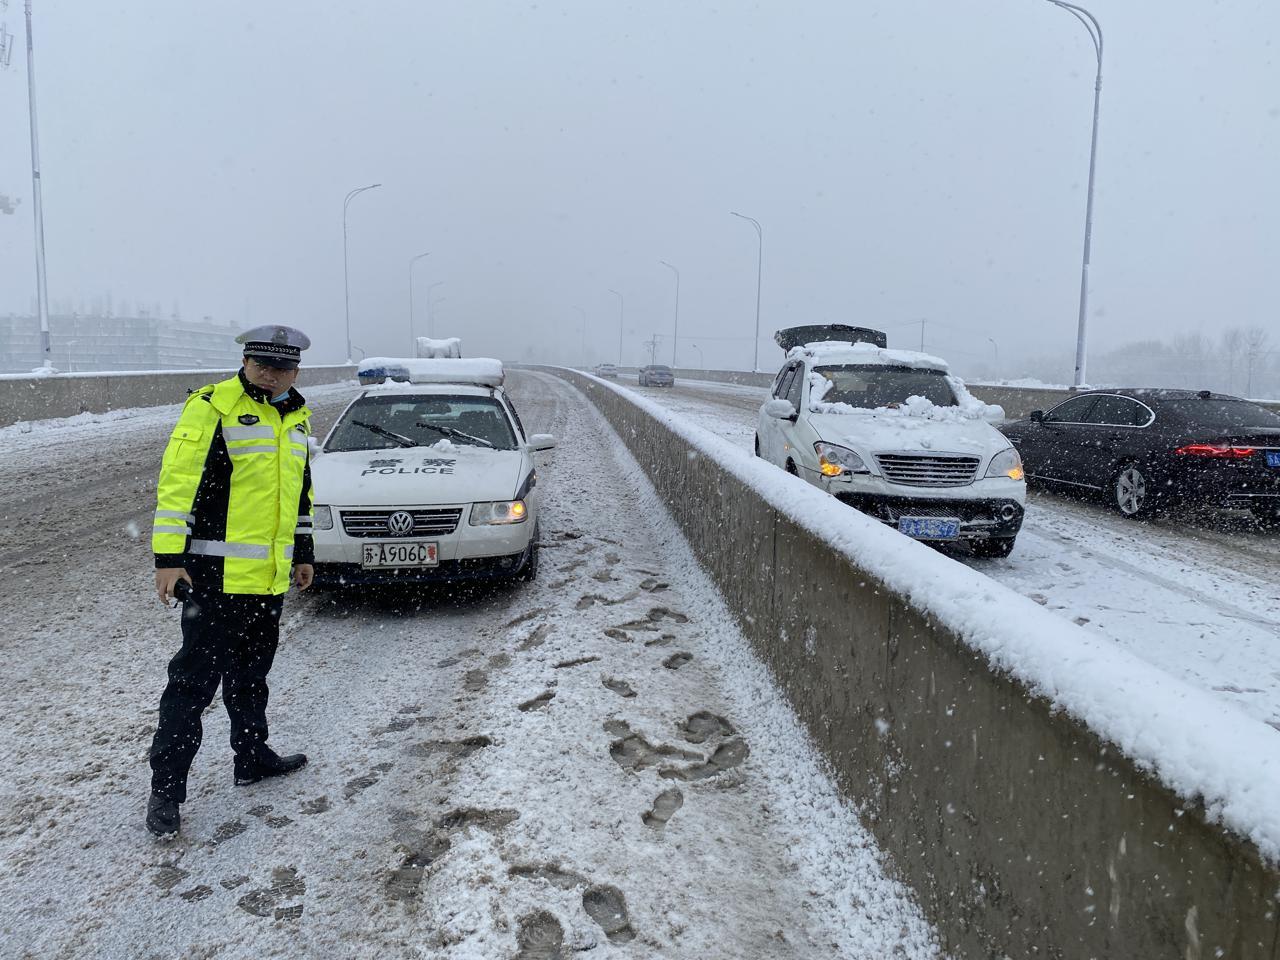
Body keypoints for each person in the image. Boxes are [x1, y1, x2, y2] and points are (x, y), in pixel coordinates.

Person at [145, 325, 316, 838]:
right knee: (192, 688)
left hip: (267, 581)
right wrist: (167, 559)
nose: (271, 373)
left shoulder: (298, 416)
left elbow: (299, 494)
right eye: (262, 364)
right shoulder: (212, 406)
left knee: (250, 677)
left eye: (281, 367)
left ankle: (252, 757)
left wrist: (302, 553)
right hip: (214, 580)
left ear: (295, 370)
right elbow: (178, 485)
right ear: (245, 361)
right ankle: (167, 793)